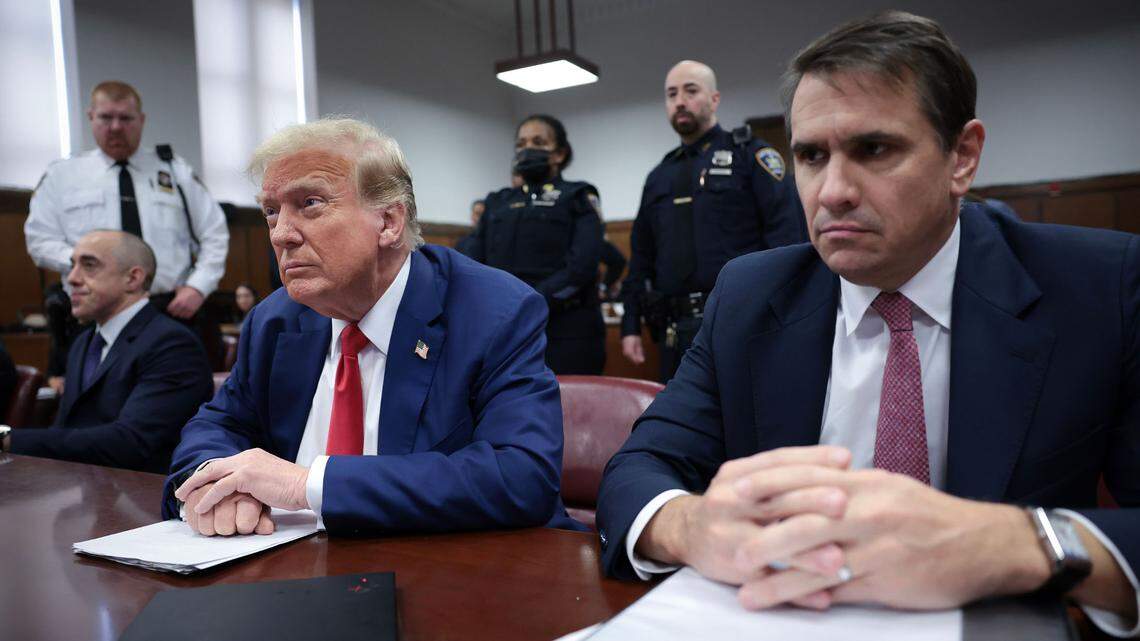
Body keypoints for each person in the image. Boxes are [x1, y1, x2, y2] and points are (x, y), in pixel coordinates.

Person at [596, 11, 1139, 636]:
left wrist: (1012, 543)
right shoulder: (748, 295)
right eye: (810, 155)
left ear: (962, 157)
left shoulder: (1098, 288)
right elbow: (638, 469)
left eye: (874, 149)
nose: (832, 192)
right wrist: (695, 527)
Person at [165, 118, 579, 536]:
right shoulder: (275, 320)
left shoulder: (493, 311)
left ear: (389, 222)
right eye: (271, 211)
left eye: (310, 203)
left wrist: (307, 485)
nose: (281, 235)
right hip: (290, 561)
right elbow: (216, 426)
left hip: (452, 562)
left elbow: (521, 475)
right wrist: (215, 485)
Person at [620, 60, 807, 383]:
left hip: (743, 320)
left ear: (714, 99)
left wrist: (784, 313)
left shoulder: (749, 155)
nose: (680, 101)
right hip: (675, 330)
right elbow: (641, 254)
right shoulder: (659, 176)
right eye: (671, 94)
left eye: (691, 91)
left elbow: (787, 237)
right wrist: (630, 324)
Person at [24, 81, 229, 363]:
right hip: (93, 315)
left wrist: (198, 286)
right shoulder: (62, 176)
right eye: (106, 117)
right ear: (91, 117)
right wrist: (89, 264)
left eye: (125, 118)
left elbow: (214, 233)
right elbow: (39, 240)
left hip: (169, 309)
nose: (116, 127)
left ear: (141, 120)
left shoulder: (174, 171)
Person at [2, 231, 213, 472]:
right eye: (72, 266)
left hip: (143, 490)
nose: (72, 278)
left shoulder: (172, 344)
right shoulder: (84, 342)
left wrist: (8, 439)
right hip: (78, 483)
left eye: (89, 265)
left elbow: (130, 444)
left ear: (133, 278)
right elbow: (65, 429)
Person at [462, 115, 605, 375]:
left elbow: (582, 266)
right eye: (521, 144)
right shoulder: (498, 201)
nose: (527, 149)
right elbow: (472, 259)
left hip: (566, 330)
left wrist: (529, 301)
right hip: (505, 329)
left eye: (538, 142)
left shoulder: (578, 196)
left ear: (559, 153)